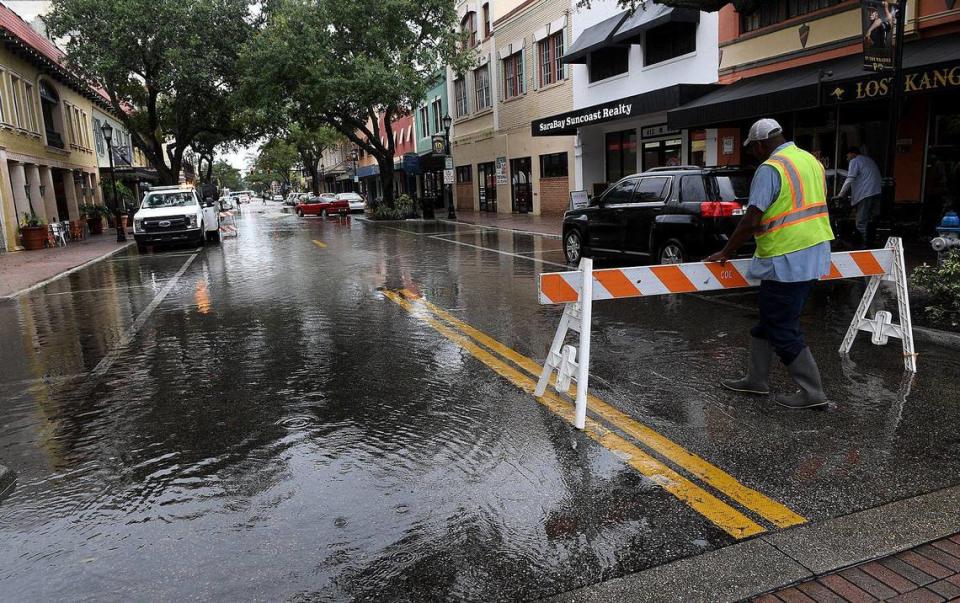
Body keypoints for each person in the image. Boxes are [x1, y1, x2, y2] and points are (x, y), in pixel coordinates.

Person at [705, 118, 835, 410]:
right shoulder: (810, 161)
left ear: (762, 143)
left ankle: (813, 392)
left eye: (753, 148)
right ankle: (756, 380)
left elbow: (752, 218)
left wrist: (725, 251)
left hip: (786, 257)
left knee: (782, 325)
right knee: (768, 320)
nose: (754, 153)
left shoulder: (771, 168)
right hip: (814, 252)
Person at [837, 147, 882, 246]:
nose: (847, 158)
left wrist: (840, 195)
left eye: (847, 155)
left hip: (865, 194)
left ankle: (862, 245)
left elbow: (850, 178)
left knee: (861, 221)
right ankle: (871, 241)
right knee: (872, 219)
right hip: (877, 192)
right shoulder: (868, 160)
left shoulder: (855, 161)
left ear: (853, 154)